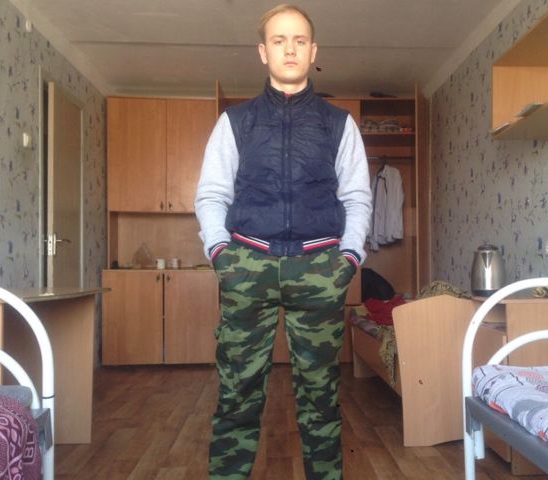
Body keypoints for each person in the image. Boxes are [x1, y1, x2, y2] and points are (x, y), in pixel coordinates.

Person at [194, 4, 372, 479]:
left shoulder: (339, 123)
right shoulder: (236, 121)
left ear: (313, 52)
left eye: (299, 40)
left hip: (319, 270)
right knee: (237, 392)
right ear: (263, 51)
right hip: (246, 267)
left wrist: (348, 259)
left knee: (321, 395)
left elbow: (357, 198)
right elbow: (211, 194)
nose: (289, 49)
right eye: (279, 40)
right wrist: (221, 254)